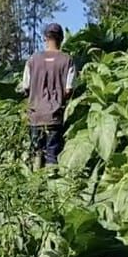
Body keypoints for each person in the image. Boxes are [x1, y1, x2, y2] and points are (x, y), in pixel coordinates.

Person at [18, 23, 76, 168]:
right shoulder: (67, 60)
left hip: (35, 116)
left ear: (45, 38)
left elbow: (26, 86)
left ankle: (35, 186)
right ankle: (51, 187)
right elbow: (69, 89)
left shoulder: (32, 60)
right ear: (61, 39)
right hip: (54, 117)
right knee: (52, 155)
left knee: (36, 154)